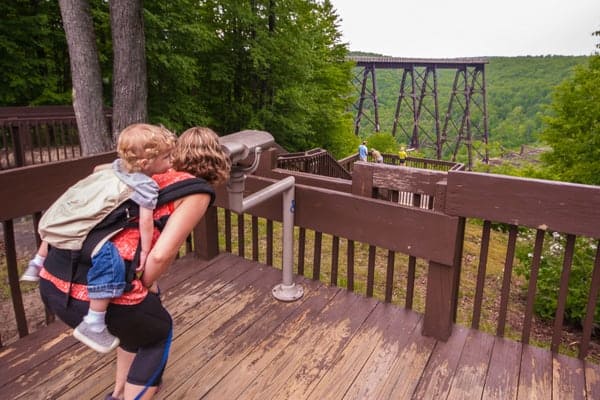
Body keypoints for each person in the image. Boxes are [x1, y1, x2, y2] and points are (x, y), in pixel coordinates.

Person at [39, 125, 231, 400]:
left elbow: (98, 170)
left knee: (138, 327)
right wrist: (144, 284)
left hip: (53, 280)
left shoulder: (143, 174)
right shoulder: (196, 192)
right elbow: (161, 255)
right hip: (95, 291)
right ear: (217, 161)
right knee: (158, 332)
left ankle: (118, 393)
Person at [22, 124, 176, 354]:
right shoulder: (146, 185)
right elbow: (146, 222)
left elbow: (98, 167)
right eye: (167, 157)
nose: (172, 161)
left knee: (65, 228)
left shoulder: (118, 166)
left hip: (75, 221)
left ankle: (36, 263)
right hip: (97, 229)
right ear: (145, 164)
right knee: (110, 262)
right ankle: (94, 321)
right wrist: (146, 251)